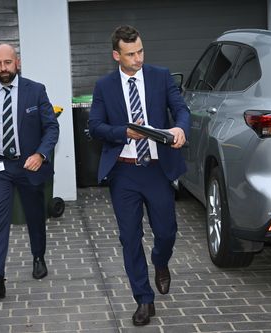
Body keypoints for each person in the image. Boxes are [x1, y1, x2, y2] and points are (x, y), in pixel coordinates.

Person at [88, 25, 190, 326]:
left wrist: (180, 128)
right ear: (116, 55)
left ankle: (160, 262)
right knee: (130, 238)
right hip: (123, 172)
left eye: (141, 51)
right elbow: (95, 127)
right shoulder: (104, 86)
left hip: (157, 169)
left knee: (167, 231)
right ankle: (143, 300)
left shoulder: (160, 76)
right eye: (131, 54)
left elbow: (181, 110)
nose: (138, 58)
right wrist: (124, 132)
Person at [0, 43, 59, 298]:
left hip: (28, 164)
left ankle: (38, 256)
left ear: (17, 62)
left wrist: (40, 154)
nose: (3, 68)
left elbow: (51, 128)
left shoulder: (35, 91)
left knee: (34, 214)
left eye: (7, 62)